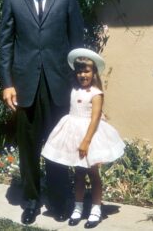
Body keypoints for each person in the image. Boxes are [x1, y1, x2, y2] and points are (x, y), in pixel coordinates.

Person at [0, 0, 84, 225]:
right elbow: (6, 44)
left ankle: (60, 201)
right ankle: (32, 202)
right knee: (28, 148)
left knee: (59, 147)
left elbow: (77, 45)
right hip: (26, 85)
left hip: (59, 85)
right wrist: (7, 83)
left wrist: (80, 86)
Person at [42, 48, 125, 228]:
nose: (82, 74)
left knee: (93, 174)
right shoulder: (74, 90)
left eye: (86, 70)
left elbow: (95, 119)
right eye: (79, 71)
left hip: (90, 136)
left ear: (94, 72)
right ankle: (77, 208)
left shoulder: (96, 94)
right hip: (73, 134)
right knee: (78, 174)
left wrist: (86, 141)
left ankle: (96, 210)